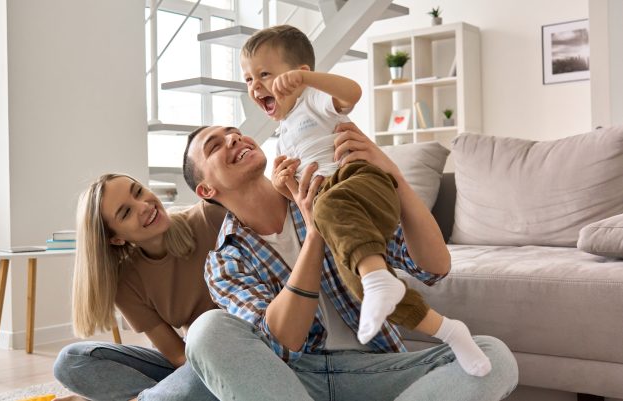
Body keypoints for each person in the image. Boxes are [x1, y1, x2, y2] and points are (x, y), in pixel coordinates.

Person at [181, 124, 519, 400]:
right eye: (215, 145)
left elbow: (434, 267)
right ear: (206, 191)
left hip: (377, 371)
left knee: (493, 356)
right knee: (206, 331)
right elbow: (285, 340)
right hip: (296, 383)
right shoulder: (225, 262)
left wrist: (394, 176)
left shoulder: (331, 194)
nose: (233, 138)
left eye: (234, 132)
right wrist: (314, 232)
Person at [239, 24, 490, 375]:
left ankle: (378, 282)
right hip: (332, 208)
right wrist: (289, 189)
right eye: (248, 79)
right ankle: (450, 331)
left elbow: (351, 92)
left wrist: (306, 81)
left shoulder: (313, 100)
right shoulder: (281, 139)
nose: (255, 86)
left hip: (361, 182)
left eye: (264, 74)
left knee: (329, 207)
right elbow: (307, 203)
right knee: (362, 285)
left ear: (300, 75)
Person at [52, 173, 225, 401]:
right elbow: (178, 356)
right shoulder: (125, 282)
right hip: (196, 362)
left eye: (139, 191)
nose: (144, 206)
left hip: (243, 348)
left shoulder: (209, 217)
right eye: (126, 212)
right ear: (115, 239)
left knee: (194, 384)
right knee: (70, 361)